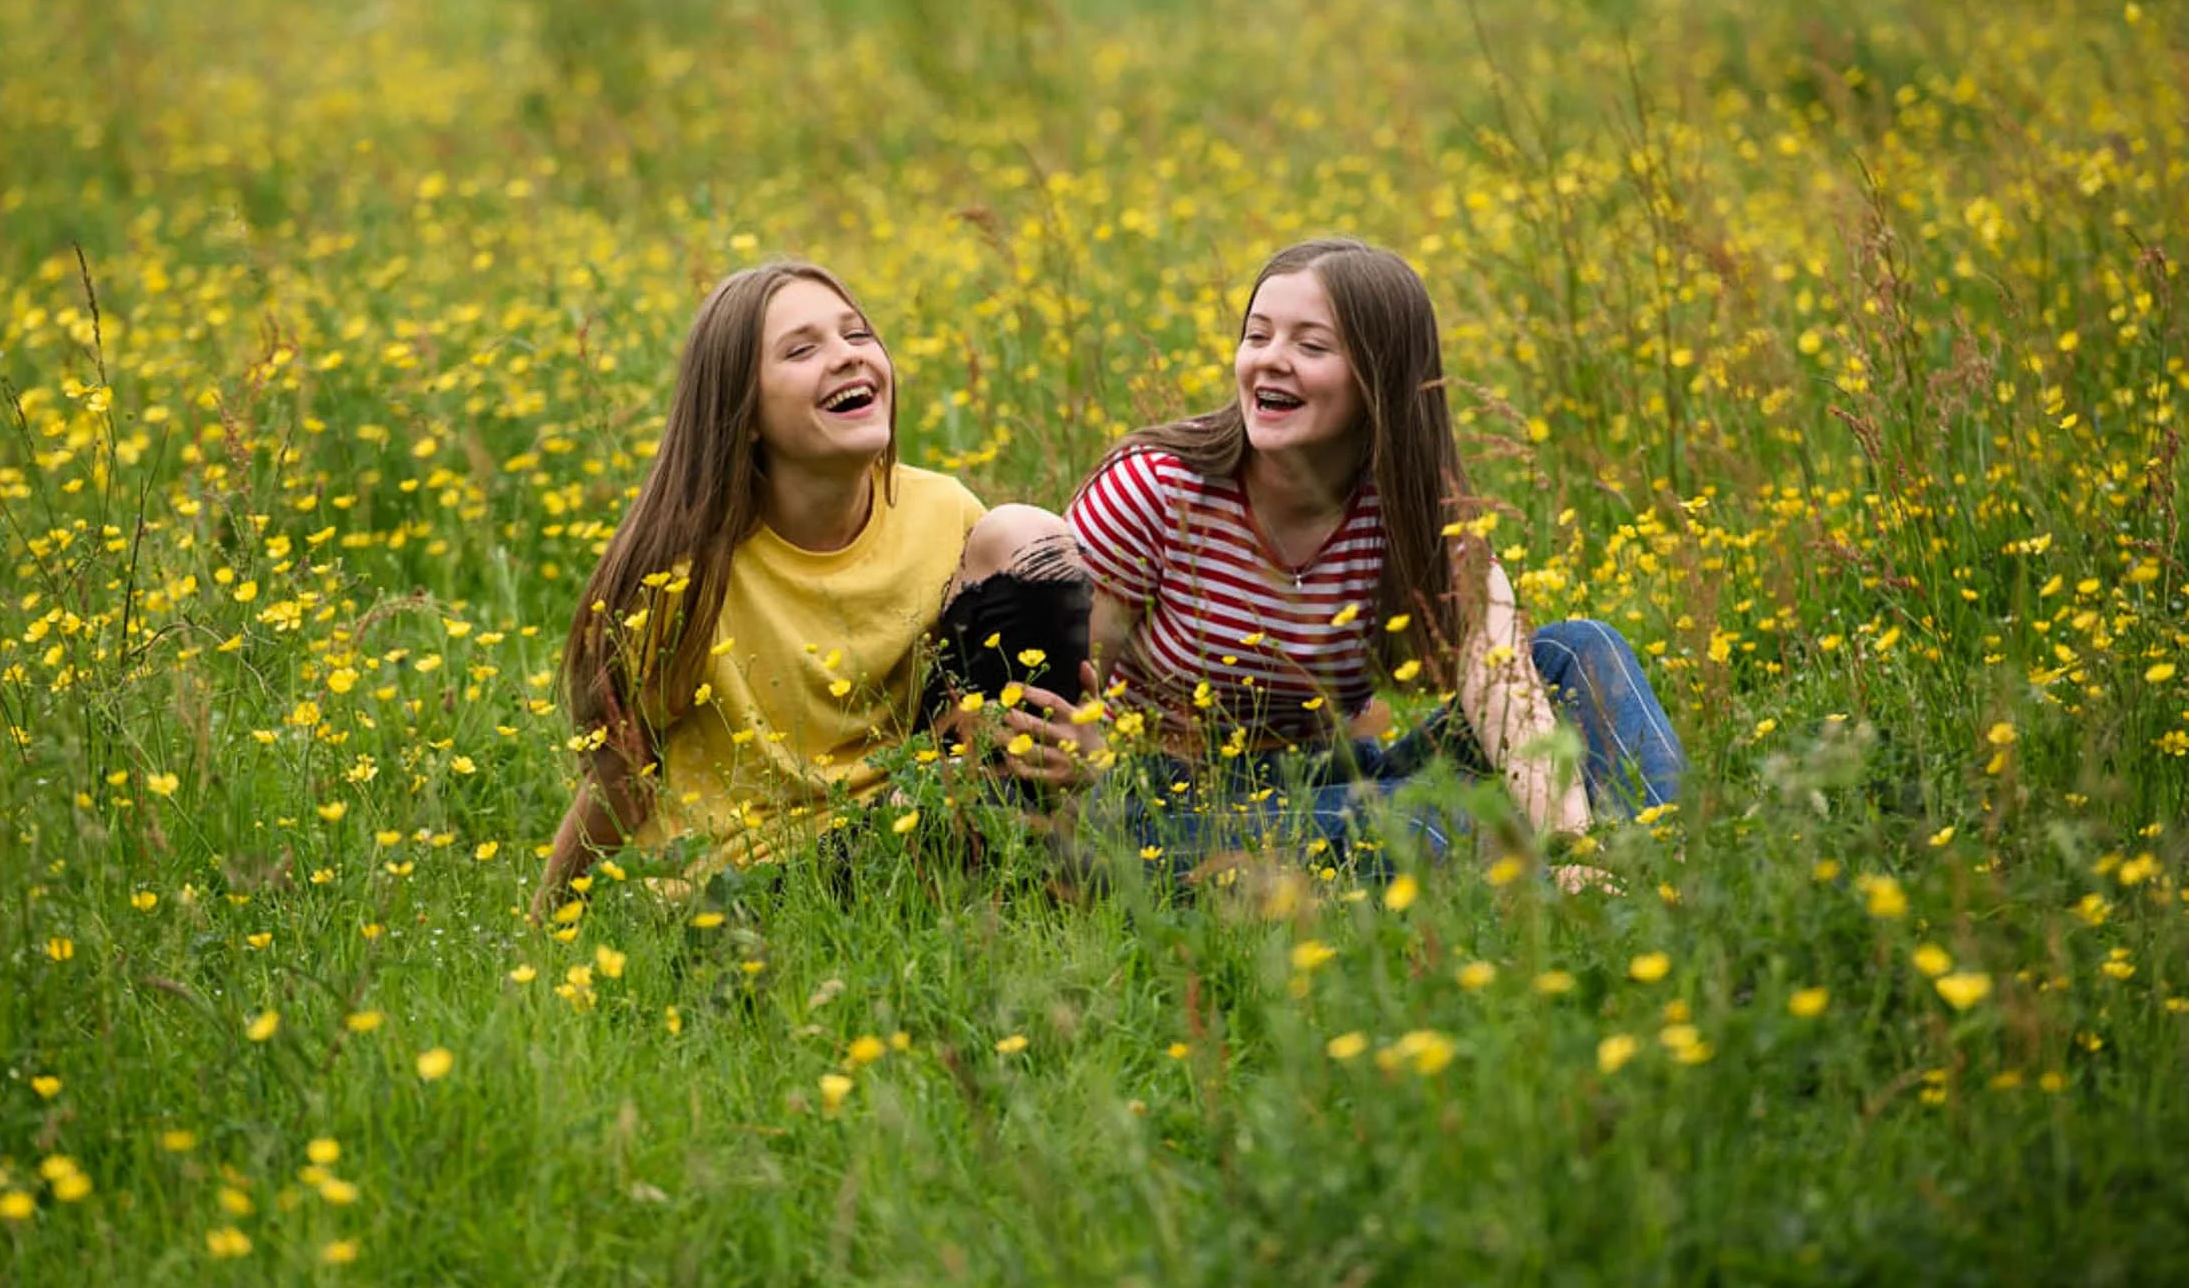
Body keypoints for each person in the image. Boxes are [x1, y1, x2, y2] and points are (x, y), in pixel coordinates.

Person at [1065, 237, 1683, 872]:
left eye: (1310, 346)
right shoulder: (1157, 487)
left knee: (1580, 650)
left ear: (1380, 379)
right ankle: (1514, 858)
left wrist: (1566, 840)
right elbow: (1062, 691)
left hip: (1332, 779)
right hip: (1168, 804)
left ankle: (1652, 865)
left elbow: (1501, 677)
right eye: (1257, 336)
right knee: (1421, 823)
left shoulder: (1409, 507)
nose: (1271, 361)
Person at [532, 260, 1094, 917]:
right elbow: (621, 775)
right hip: (751, 887)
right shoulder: (683, 576)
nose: (845, 358)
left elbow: (975, 703)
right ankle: (1024, 880)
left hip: (912, 822)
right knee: (1087, 876)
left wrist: (1084, 753)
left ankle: (1033, 858)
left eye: (857, 336)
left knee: (1027, 533)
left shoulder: (943, 513)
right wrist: (545, 925)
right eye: (802, 349)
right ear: (743, 414)